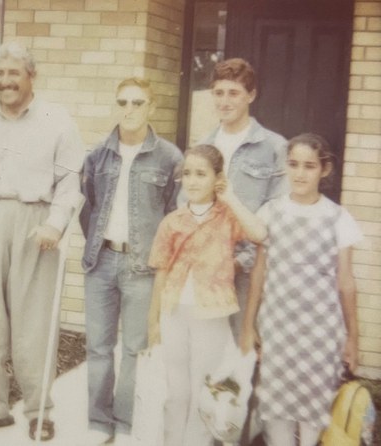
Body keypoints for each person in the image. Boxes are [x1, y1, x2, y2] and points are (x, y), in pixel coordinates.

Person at [0, 41, 84, 442]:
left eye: (13, 74)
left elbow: (70, 180)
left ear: (31, 77)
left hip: (35, 225)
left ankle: (40, 410)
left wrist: (55, 225)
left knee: (34, 324)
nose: (5, 82)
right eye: (0, 74)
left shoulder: (56, 120)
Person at [78, 77, 183, 445]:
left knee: (135, 349)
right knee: (98, 346)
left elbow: (175, 216)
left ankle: (125, 424)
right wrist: (97, 245)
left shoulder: (170, 157)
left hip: (143, 268)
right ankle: (98, 421)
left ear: (151, 107)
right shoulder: (98, 155)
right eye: (123, 101)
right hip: (102, 261)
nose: (130, 109)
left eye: (138, 102)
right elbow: (87, 208)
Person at [240, 133, 361, 446]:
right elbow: (259, 273)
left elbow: (346, 283)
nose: (299, 173)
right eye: (293, 164)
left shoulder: (337, 217)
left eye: (309, 166)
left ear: (324, 169)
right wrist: (249, 324)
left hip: (321, 332)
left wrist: (352, 338)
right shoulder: (271, 212)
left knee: (312, 409)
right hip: (278, 326)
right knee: (276, 406)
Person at [148, 144, 267, 446]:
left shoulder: (226, 217)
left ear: (217, 178)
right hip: (174, 312)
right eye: (187, 174)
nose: (192, 181)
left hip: (211, 314)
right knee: (177, 391)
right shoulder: (172, 222)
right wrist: (153, 323)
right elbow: (161, 272)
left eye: (201, 174)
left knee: (204, 387)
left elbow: (259, 233)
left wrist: (229, 197)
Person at [199, 58, 287, 341]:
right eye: (219, 92)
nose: (224, 101)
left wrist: (240, 260)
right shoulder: (203, 145)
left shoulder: (274, 147)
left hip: (249, 272)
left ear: (251, 95)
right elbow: (186, 206)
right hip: (206, 267)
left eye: (234, 93)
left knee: (243, 354)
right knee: (207, 354)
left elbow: (277, 214)